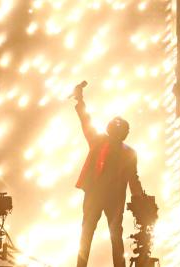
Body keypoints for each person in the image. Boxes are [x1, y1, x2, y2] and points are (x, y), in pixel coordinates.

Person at [71, 81, 144, 267]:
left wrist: (80, 100)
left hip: (101, 196)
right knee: (110, 236)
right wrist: (140, 199)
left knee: (90, 234)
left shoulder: (102, 142)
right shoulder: (127, 151)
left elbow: (85, 121)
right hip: (109, 198)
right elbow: (133, 180)